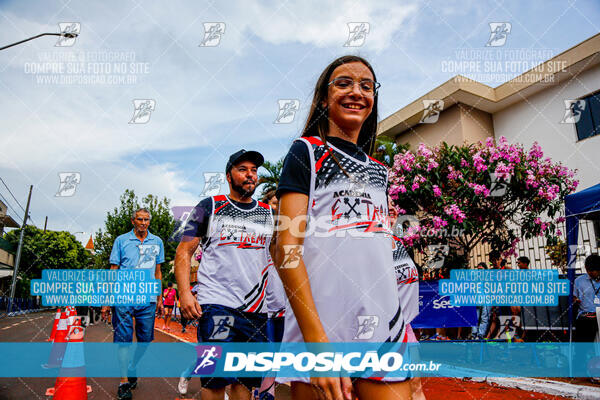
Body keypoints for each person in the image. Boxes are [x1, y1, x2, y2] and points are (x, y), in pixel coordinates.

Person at [271, 55, 411, 400]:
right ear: (323, 98)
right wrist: (317, 345)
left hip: (384, 329)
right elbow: (285, 250)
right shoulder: (307, 151)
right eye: (344, 83)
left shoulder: (382, 170)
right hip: (321, 332)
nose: (356, 92)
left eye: (366, 86)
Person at [175, 149, 274, 400]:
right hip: (217, 304)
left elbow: (281, 258)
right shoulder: (209, 206)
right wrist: (185, 293)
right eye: (243, 169)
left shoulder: (269, 213)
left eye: (254, 170)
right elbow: (184, 251)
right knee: (215, 378)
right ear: (229, 176)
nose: (250, 175)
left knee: (245, 380)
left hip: (256, 310)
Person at [102, 208, 165, 400]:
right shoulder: (121, 241)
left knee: (145, 340)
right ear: (133, 221)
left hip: (147, 299)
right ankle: (123, 382)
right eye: (140, 219)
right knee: (123, 340)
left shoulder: (157, 242)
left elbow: (158, 272)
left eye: (146, 220)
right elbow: (113, 270)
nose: (143, 223)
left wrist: (160, 298)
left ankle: (132, 367)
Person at [574, 254, 600, 343]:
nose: (590, 272)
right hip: (586, 316)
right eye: (588, 270)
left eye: (593, 270)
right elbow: (573, 298)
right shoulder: (579, 281)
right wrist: (575, 300)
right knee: (582, 345)